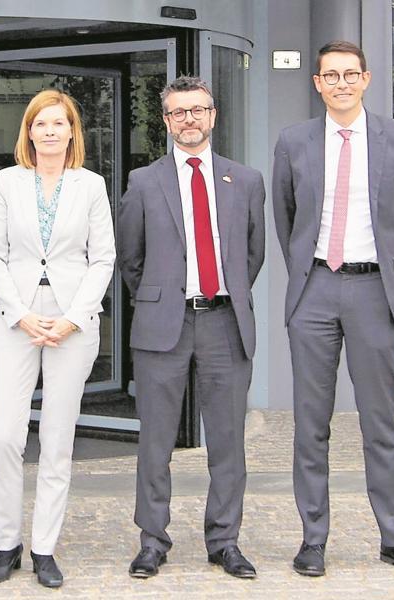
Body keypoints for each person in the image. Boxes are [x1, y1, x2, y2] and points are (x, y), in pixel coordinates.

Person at [272, 40, 394, 578]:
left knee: (380, 424)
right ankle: (313, 538)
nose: (341, 83)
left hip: (372, 292)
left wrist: (383, 274)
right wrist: (309, 275)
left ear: (365, 79)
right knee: (310, 424)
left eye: (350, 74)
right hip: (315, 290)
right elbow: (287, 218)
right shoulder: (294, 141)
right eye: (330, 76)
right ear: (317, 84)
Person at [117, 76, 265, 580]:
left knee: (228, 442)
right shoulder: (143, 182)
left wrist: (221, 294)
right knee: (155, 442)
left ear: (213, 116)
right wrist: (159, 299)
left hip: (225, 323)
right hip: (165, 324)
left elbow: (252, 254)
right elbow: (130, 258)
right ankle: (153, 540)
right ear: (166, 121)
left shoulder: (245, 181)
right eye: (179, 112)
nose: (189, 120)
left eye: (198, 110)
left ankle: (224, 541)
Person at [0, 89, 115, 588]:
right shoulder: (7, 182)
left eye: (60, 123)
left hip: (71, 323)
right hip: (14, 319)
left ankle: (43, 549)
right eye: (42, 124)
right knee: (6, 436)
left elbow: (103, 258)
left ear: (72, 132)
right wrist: (18, 313)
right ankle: (6, 543)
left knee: (57, 438)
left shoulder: (92, 185)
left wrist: (75, 317)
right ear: (30, 132)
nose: (51, 131)